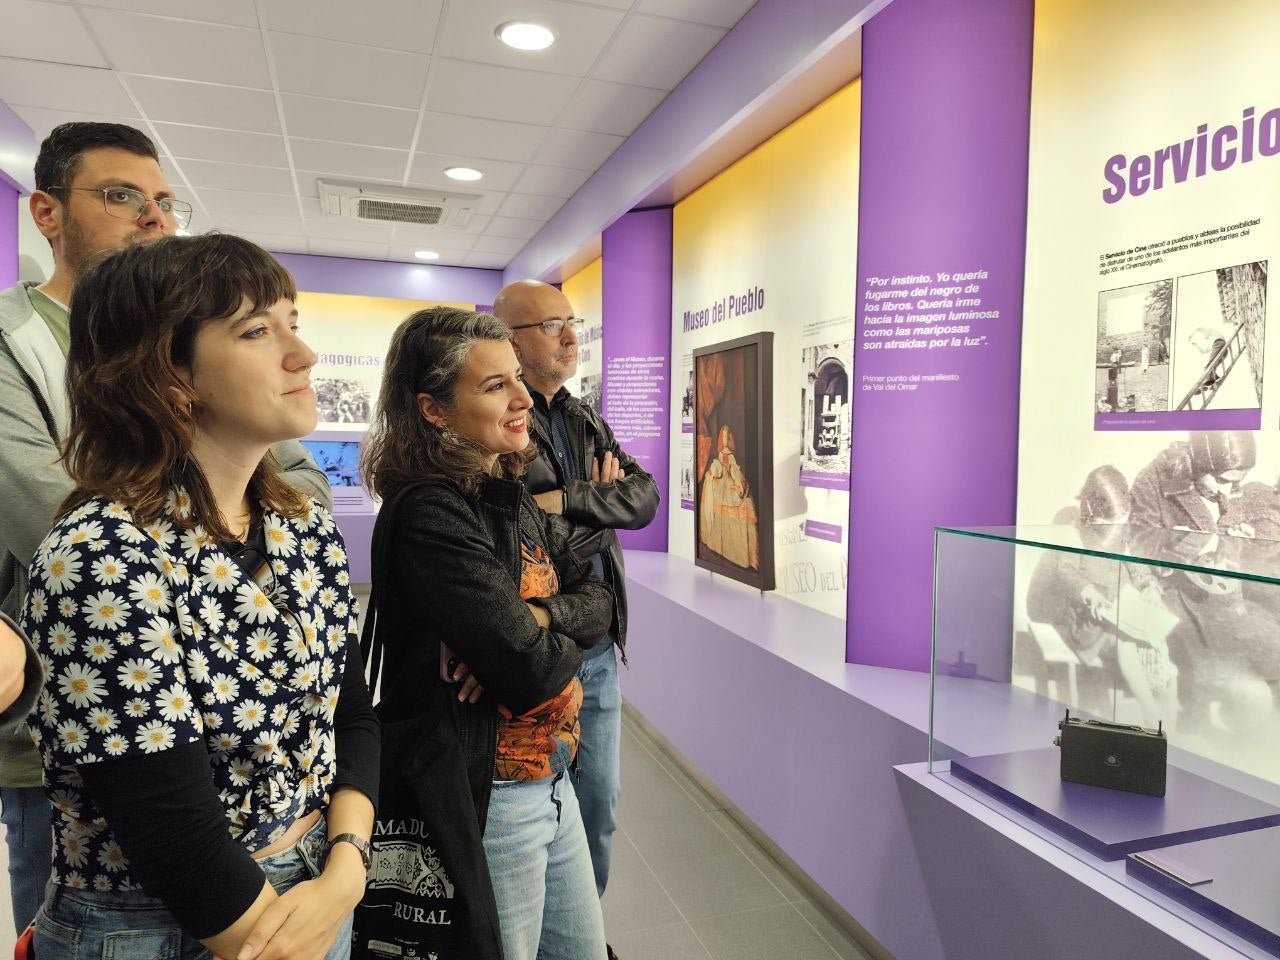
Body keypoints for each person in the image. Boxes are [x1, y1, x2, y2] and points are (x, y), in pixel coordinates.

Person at [0, 120, 331, 935]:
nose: (152, 217)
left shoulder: (282, 519)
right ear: (47, 212)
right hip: (76, 725)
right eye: (120, 197)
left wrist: (342, 872)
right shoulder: (16, 344)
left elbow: (305, 491)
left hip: (280, 817)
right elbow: (48, 515)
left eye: (162, 201)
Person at [361, 306, 611, 960]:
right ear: (434, 410)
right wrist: (529, 638)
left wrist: (538, 616)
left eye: (517, 379)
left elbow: (601, 597)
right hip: (491, 797)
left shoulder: (508, 489)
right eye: (495, 385)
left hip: (552, 771)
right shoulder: (431, 511)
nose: (524, 397)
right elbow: (526, 671)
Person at [493, 280, 659, 938]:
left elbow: (642, 498)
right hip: (538, 646)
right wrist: (589, 503)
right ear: (510, 341)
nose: (570, 336)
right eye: (550, 324)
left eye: (573, 322)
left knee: (599, 807)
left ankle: (581, 935)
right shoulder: (501, 412)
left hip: (598, 650)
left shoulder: (583, 414)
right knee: (531, 814)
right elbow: (528, 527)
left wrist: (570, 499)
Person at [1129, 431, 1255, 532]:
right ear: (1199, 464)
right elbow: (1138, 548)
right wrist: (1183, 544)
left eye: (1236, 482)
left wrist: (1238, 545)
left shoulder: (1233, 487)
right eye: (1221, 480)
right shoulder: (1151, 483)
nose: (1226, 491)